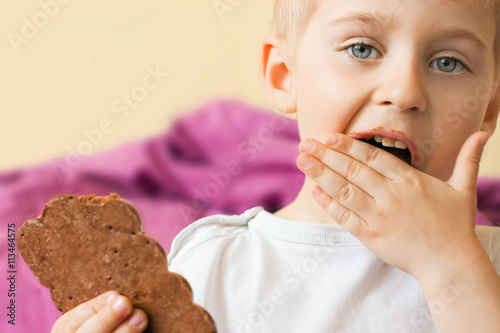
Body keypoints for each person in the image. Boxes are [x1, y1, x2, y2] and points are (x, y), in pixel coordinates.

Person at [52, 0, 500, 332]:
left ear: (488, 110)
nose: (404, 93)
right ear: (284, 75)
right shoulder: (215, 266)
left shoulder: (489, 267)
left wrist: (451, 267)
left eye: (448, 62)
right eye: (362, 49)